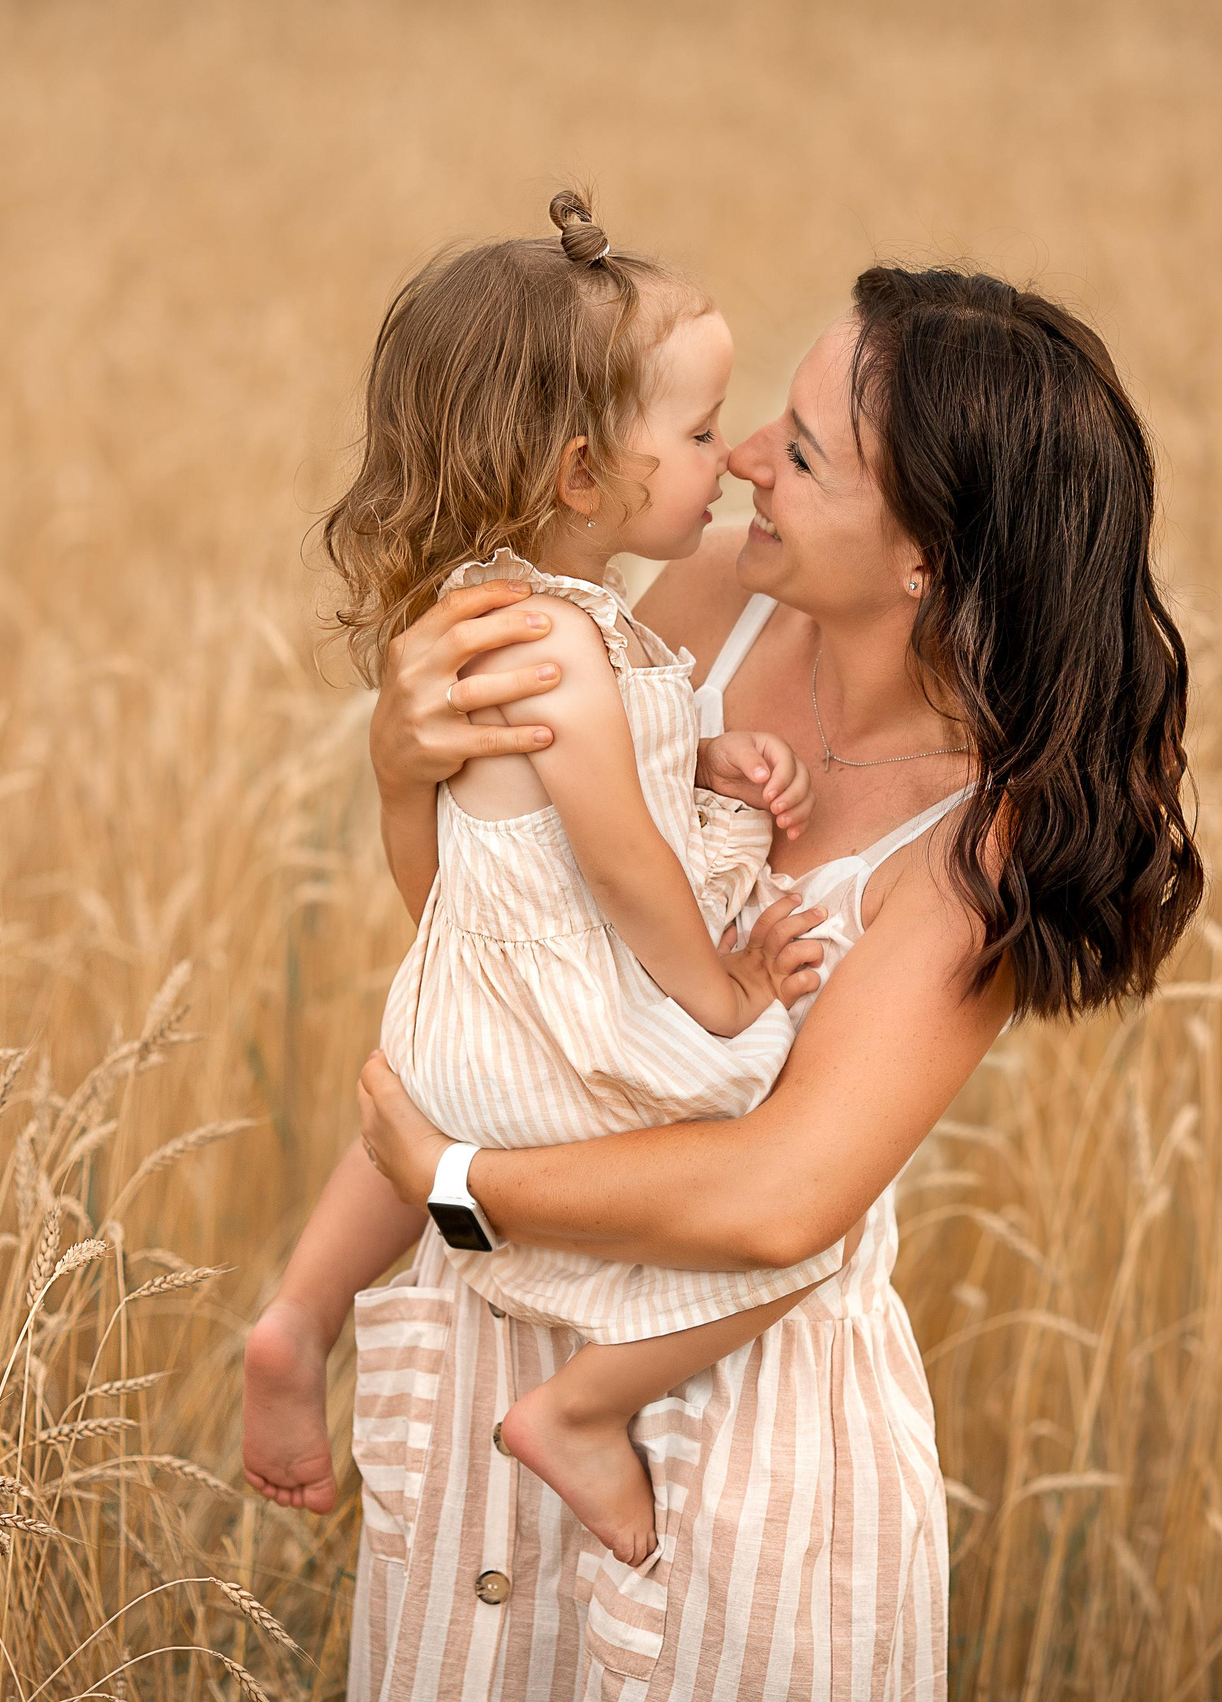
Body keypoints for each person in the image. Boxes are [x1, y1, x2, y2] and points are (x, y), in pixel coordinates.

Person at [321, 263, 1199, 1701]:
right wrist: (400, 777)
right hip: (510, 1370)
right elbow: (514, 957)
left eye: (797, 451)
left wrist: (461, 1181)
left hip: (743, 1444)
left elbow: (784, 1199)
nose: (739, 462)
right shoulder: (714, 602)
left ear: (924, 553)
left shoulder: (989, 837)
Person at [242, 191, 854, 1570]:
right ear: (583, 475)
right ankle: (584, 1409)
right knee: (800, 1201)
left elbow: (569, 795)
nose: (727, 461)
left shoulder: (520, 618)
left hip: (456, 1018)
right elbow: (624, 864)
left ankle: (297, 1316)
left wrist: (705, 756)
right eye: (698, 437)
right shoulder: (563, 651)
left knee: (450, 1098)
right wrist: (725, 989)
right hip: (542, 1021)